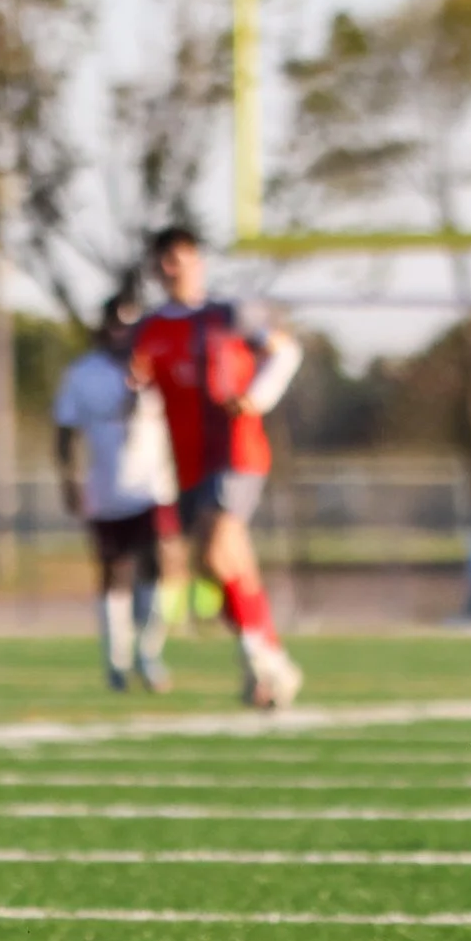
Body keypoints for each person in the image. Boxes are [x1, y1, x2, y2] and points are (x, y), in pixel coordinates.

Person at [132, 225, 304, 708]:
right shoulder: (149, 329)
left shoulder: (228, 315)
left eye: (182, 257)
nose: (174, 268)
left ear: (198, 261)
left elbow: (287, 351)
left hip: (236, 452)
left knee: (215, 551)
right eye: (165, 260)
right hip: (186, 463)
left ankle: (262, 663)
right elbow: (141, 388)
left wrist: (257, 397)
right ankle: (271, 661)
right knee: (230, 567)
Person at [53, 293, 180, 692]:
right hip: (106, 487)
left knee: (158, 568)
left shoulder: (157, 367)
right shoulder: (83, 373)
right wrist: (69, 480)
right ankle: (116, 659)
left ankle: (149, 653)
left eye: (129, 325)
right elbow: (64, 431)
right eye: (115, 324)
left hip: (154, 487)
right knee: (114, 572)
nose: (121, 333)